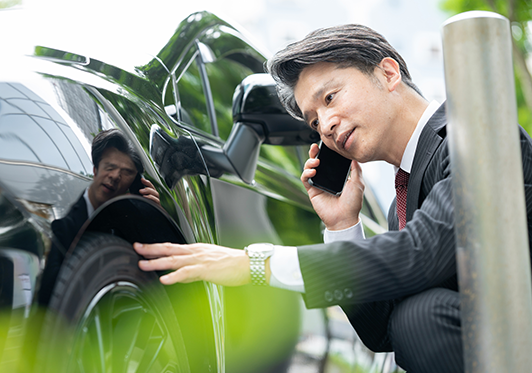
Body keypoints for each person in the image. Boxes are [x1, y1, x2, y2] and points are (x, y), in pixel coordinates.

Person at [132, 25, 532, 372]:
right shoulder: (401, 202)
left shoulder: (475, 134)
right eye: (313, 121)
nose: (325, 125)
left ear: (388, 72)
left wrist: (254, 264)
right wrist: (342, 226)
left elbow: (424, 252)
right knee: (412, 320)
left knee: (420, 317)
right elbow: (383, 334)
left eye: (329, 98)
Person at [38, 128, 160, 305]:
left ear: (135, 182)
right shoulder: (63, 225)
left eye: (126, 172)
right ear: (95, 169)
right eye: (110, 167)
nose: (115, 176)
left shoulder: (129, 228)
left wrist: (151, 218)